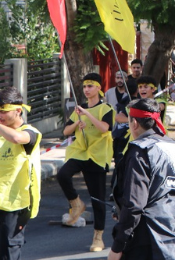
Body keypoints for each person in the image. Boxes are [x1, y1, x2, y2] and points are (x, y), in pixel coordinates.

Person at [108, 98, 175, 260]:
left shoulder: (139, 150)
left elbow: (134, 205)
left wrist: (117, 247)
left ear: (135, 123)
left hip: (149, 240)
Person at [57, 73, 113, 252]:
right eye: (85, 86)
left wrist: (87, 114)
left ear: (98, 88)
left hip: (97, 156)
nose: (87, 89)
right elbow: (66, 131)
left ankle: (98, 236)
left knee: (97, 199)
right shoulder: (78, 111)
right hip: (81, 152)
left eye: (90, 86)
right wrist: (77, 125)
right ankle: (76, 203)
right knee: (63, 174)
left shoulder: (106, 108)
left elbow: (105, 128)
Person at [0, 87, 41, 260]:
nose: (0, 115)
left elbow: (17, 138)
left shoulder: (31, 133)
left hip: (15, 204)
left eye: (3, 111)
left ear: (18, 110)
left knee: (9, 251)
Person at [106, 71, 131, 164]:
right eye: (118, 78)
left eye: (122, 78)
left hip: (126, 130)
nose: (120, 80)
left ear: (126, 79)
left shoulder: (129, 94)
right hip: (112, 128)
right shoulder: (109, 93)